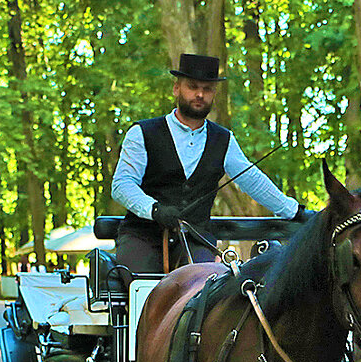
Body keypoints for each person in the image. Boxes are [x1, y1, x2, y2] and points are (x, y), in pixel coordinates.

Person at [111, 53, 306, 273]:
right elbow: (122, 184)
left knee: (207, 285)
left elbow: (252, 179)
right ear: (176, 88)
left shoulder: (223, 140)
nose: (200, 94)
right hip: (142, 237)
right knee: (141, 286)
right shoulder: (142, 133)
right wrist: (154, 209)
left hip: (196, 239)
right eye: (192, 87)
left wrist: (294, 211)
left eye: (207, 89)